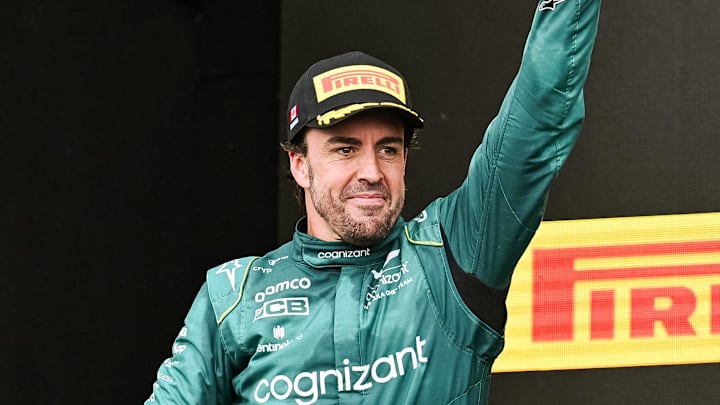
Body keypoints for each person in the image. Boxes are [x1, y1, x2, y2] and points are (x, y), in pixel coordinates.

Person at [146, 1, 601, 403]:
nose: (371, 170)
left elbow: (535, 121)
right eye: (345, 149)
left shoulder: (452, 254)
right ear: (300, 165)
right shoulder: (234, 295)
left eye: (388, 148)